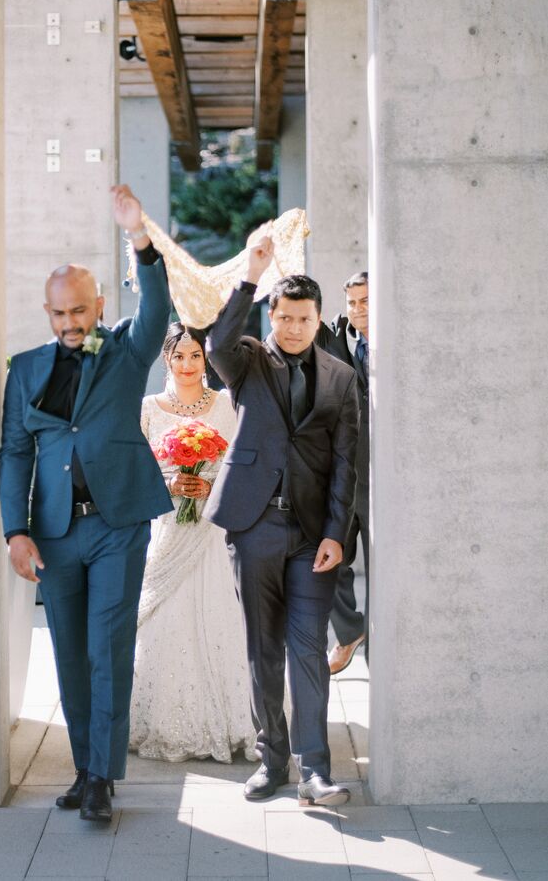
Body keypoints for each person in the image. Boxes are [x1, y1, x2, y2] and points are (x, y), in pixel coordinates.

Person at [0, 185, 172, 823]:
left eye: (79, 312)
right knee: (69, 653)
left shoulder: (124, 351)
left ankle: (101, 775)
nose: (69, 325)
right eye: (58, 315)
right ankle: (83, 767)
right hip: (53, 535)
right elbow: (15, 453)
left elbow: (157, 309)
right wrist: (15, 531)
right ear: (47, 313)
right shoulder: (25, 369)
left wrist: (140, 239)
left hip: (117, 525)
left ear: (98, 305)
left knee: (107, 648)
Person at [204, 233, 359, 807]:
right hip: (254, 526)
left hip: (312, 538)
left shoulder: (341, 379)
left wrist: (337, 535)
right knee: (263, 648)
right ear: (272, 315)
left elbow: (347, 463)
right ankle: (272, 760)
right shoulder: (245, 360)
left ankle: (314, 770)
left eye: (304, 318)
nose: (294, 327)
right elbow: (216, 339)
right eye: (285, 316)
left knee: (308, 650)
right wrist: (251, 273)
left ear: (319, 319)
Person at [129, 323, 256, 764]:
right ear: (166, 359)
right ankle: (161, 720)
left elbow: (240, 464)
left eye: (195, 356)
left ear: (206, 360)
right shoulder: (149, 408)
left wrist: (210, 485)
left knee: (217, 611)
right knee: (164, 616)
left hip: (210, 528)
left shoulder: (225, 406)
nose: (187, 365)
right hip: (168, 524)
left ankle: (231, 719)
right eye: (178, 356)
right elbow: (138, 468)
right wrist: (172, 483)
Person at [317, 272, 370, 674]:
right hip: (347, 469)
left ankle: (380, 655)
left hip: (388, 477)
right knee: (331, 557)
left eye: (366, 301)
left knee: (387, 568)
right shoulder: (336, 335)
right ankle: (350, 630)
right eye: (352, 302)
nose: (358, 310)